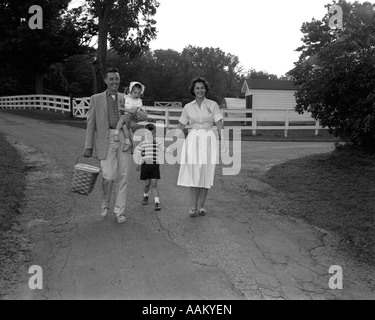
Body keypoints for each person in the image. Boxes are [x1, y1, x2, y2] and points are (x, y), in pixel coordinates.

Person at [83, 68, 131, 224]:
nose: (114, 82)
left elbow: (134, 117)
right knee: (108, 176)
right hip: (106, 139)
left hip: (123, 138)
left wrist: (139, 115)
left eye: (117, 79)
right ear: (105, 80)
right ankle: (105, 202)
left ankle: (119, 211)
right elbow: (91, 124)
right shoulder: (96, 99)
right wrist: (88, 146)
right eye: (111, 79)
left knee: (122, 176)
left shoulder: (126, 98)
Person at [173, 77, 225, 217]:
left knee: (205, 172)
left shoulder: (213, 105)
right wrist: (174, 142)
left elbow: (219, 123)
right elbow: (181, 125)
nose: (200, 90)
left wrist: (223, 140)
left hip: (208, 139)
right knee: (194, 172)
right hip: (193, 139)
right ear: (193, 90)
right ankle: (193, 206)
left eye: (202, 87)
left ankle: (201, 206)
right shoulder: (188, 107)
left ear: (205, 89)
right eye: (197, 88)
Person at [134, 123, 170, 211]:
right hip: (145, 165)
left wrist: (170, 150)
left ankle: (157, 202)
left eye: (152, 133)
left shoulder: (157, 143)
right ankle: (145, 196)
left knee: (154, 184)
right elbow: (138, 154)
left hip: (154, 165)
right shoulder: (142, 144)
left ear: (154, 134)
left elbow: (163, 147)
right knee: (147, 184)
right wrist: (138, 164)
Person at [113, 82, 145, 152]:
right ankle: (128, 142)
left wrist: (122, 109)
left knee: (122, 119)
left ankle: (116, 134)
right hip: (126, 115)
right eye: (135, 92)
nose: (137, 95)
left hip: (132, 116)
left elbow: (133, 111)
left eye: (139, 93)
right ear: (131, 91)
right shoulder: (126, 97)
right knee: (124, 126)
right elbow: (121, 100)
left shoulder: (139, 101)